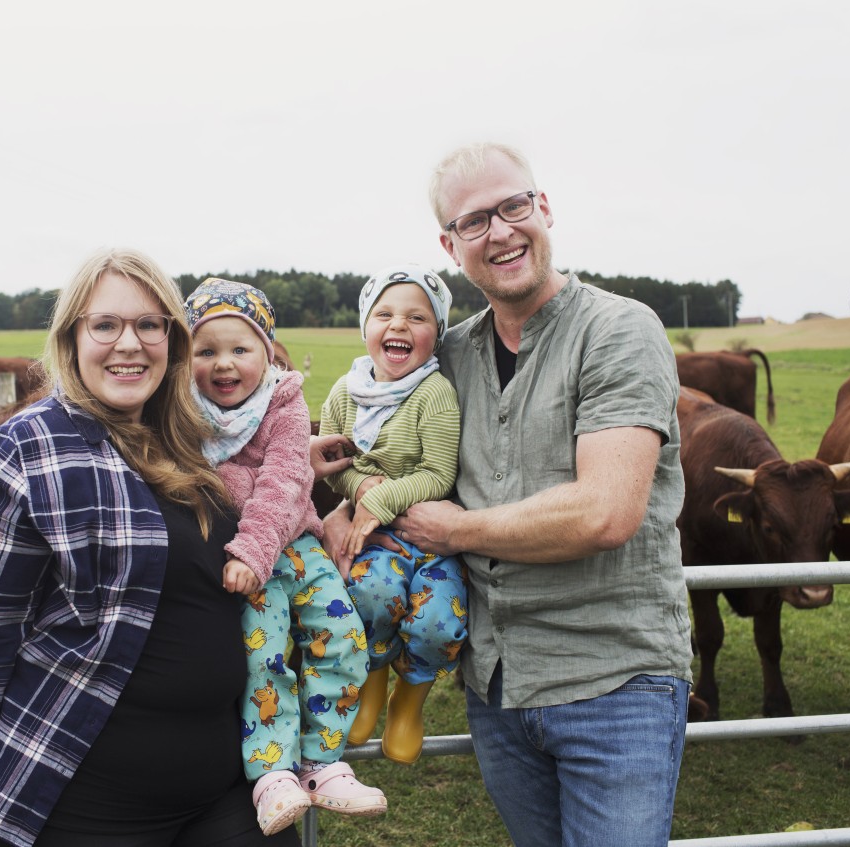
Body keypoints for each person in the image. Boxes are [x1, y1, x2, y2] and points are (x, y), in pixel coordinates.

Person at [324, 143, 695, 846]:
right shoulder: (449, 355)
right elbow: (392, 456)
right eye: (473, 221)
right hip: (495, 686)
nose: (499, 232)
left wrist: (458, 531)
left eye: (513, 207)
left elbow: (606, 511)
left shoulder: (617, 330)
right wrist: (346, 507)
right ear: (450, 243)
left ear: (543, 207)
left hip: (611, 680)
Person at [0, 249, 301, 847]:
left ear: (173, 341)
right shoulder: (24, 452)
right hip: (91, 803)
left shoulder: (195, 437)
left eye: (149, 325)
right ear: (72, 337)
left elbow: (275, 487)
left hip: (230, 787)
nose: (130, 343)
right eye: (106, 325)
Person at [183, 277, 386, 836]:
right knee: (262, 658)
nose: (224, 365)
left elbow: (283, 479)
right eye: (206, 350)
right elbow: (202, 478)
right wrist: (262, 484)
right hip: (253, 568)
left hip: (293, 548)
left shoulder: (285, 400)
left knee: (342, 641)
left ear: (268, 352)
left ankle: (322, 762)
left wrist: (252, 524)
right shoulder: (182, 411)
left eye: (239, 349)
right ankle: (272, 774)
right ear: (186, 357)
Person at [316, 263, 465, 766]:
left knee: (440, 625)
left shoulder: (434, 393)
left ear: (436, 334)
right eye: (385, 314)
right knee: (370, 598)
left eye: (417, 317)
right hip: (373, 539)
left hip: (428, 541)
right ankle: (373, 683)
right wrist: (358, 486)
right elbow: (335, 468)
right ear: (366, 327)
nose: (399, 325)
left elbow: (439, 473)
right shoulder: (344, 393)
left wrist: (378, 500)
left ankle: (409, 703)